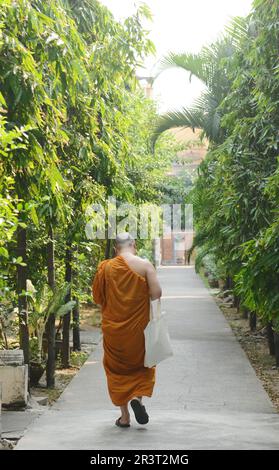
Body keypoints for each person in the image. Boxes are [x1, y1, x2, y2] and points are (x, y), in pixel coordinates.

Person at [92, 232, 162, 428]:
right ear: (134, 245)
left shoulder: (105, 267)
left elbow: (97, 298)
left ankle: (124, 417)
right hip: (139, 329)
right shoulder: (145, 265)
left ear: (116, 248)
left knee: (116, 370)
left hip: (114, 330)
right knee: (142, 366)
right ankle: (137, 401)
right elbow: (157, 294)